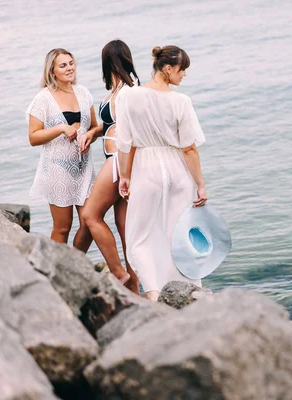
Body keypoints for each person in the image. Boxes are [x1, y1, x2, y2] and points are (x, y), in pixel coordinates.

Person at [116, 45, 208, 301]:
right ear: (168, 69)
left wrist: (125, 176)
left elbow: (125, 142)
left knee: (139, 237)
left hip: (146, 169)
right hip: (177, 169)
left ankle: (154, 293)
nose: (185, 75)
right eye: (182, 69)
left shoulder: (129, 97)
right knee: (178, 234)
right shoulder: (180, 101)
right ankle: (190, 293)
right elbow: (189, 148)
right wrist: (200, 184)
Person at [79, 40, 140, 290]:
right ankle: (135, 291)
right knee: (126, 231)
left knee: (90, 215)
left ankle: (118, 273)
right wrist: (92, 134)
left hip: (118, 162)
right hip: (115, 161)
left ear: (108, 62)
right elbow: (107, 126)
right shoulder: (115, 92)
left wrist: (128, 171)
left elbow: (135, 132)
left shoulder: (128, 92)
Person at [27, 48, 99, 250]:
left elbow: (95, 126)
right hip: (57, 170)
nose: (69, 68)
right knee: (63, 227)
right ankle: (57, 270)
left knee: (89, 222)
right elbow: (33, 137)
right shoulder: (43, 99)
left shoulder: (83, 93)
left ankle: (74, 265)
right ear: (52, 71)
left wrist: (90, 135)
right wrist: (60, 128)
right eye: (63, 65)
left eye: (71, 63)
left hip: (84, 169)